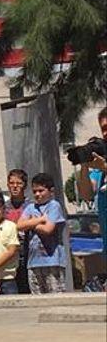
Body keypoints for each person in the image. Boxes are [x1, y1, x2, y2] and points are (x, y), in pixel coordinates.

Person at [17, 173, 67, 294]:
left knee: (55, 295)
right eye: (34, 191)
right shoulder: (30, 207)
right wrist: (39, 220)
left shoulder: (54, 206)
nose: (37, 194)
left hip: (52, 261)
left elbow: (47, 230)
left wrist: (30, 223)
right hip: (33, 262)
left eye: (41, 191)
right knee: (37, 297)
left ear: (51, 191)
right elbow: (19, 225)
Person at [76, 106, 107, 258]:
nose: (105, 133)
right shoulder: (100, 167)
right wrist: (84, 164)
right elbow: (86, 194)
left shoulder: (103, 165)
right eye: (103, 129)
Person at [5, 169, 32, 293]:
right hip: (8, 255)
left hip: (28, 254)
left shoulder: (31, 206)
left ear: (24, 186)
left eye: (19, 183)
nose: (15, 186)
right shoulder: (3, 207)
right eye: (12, 183)